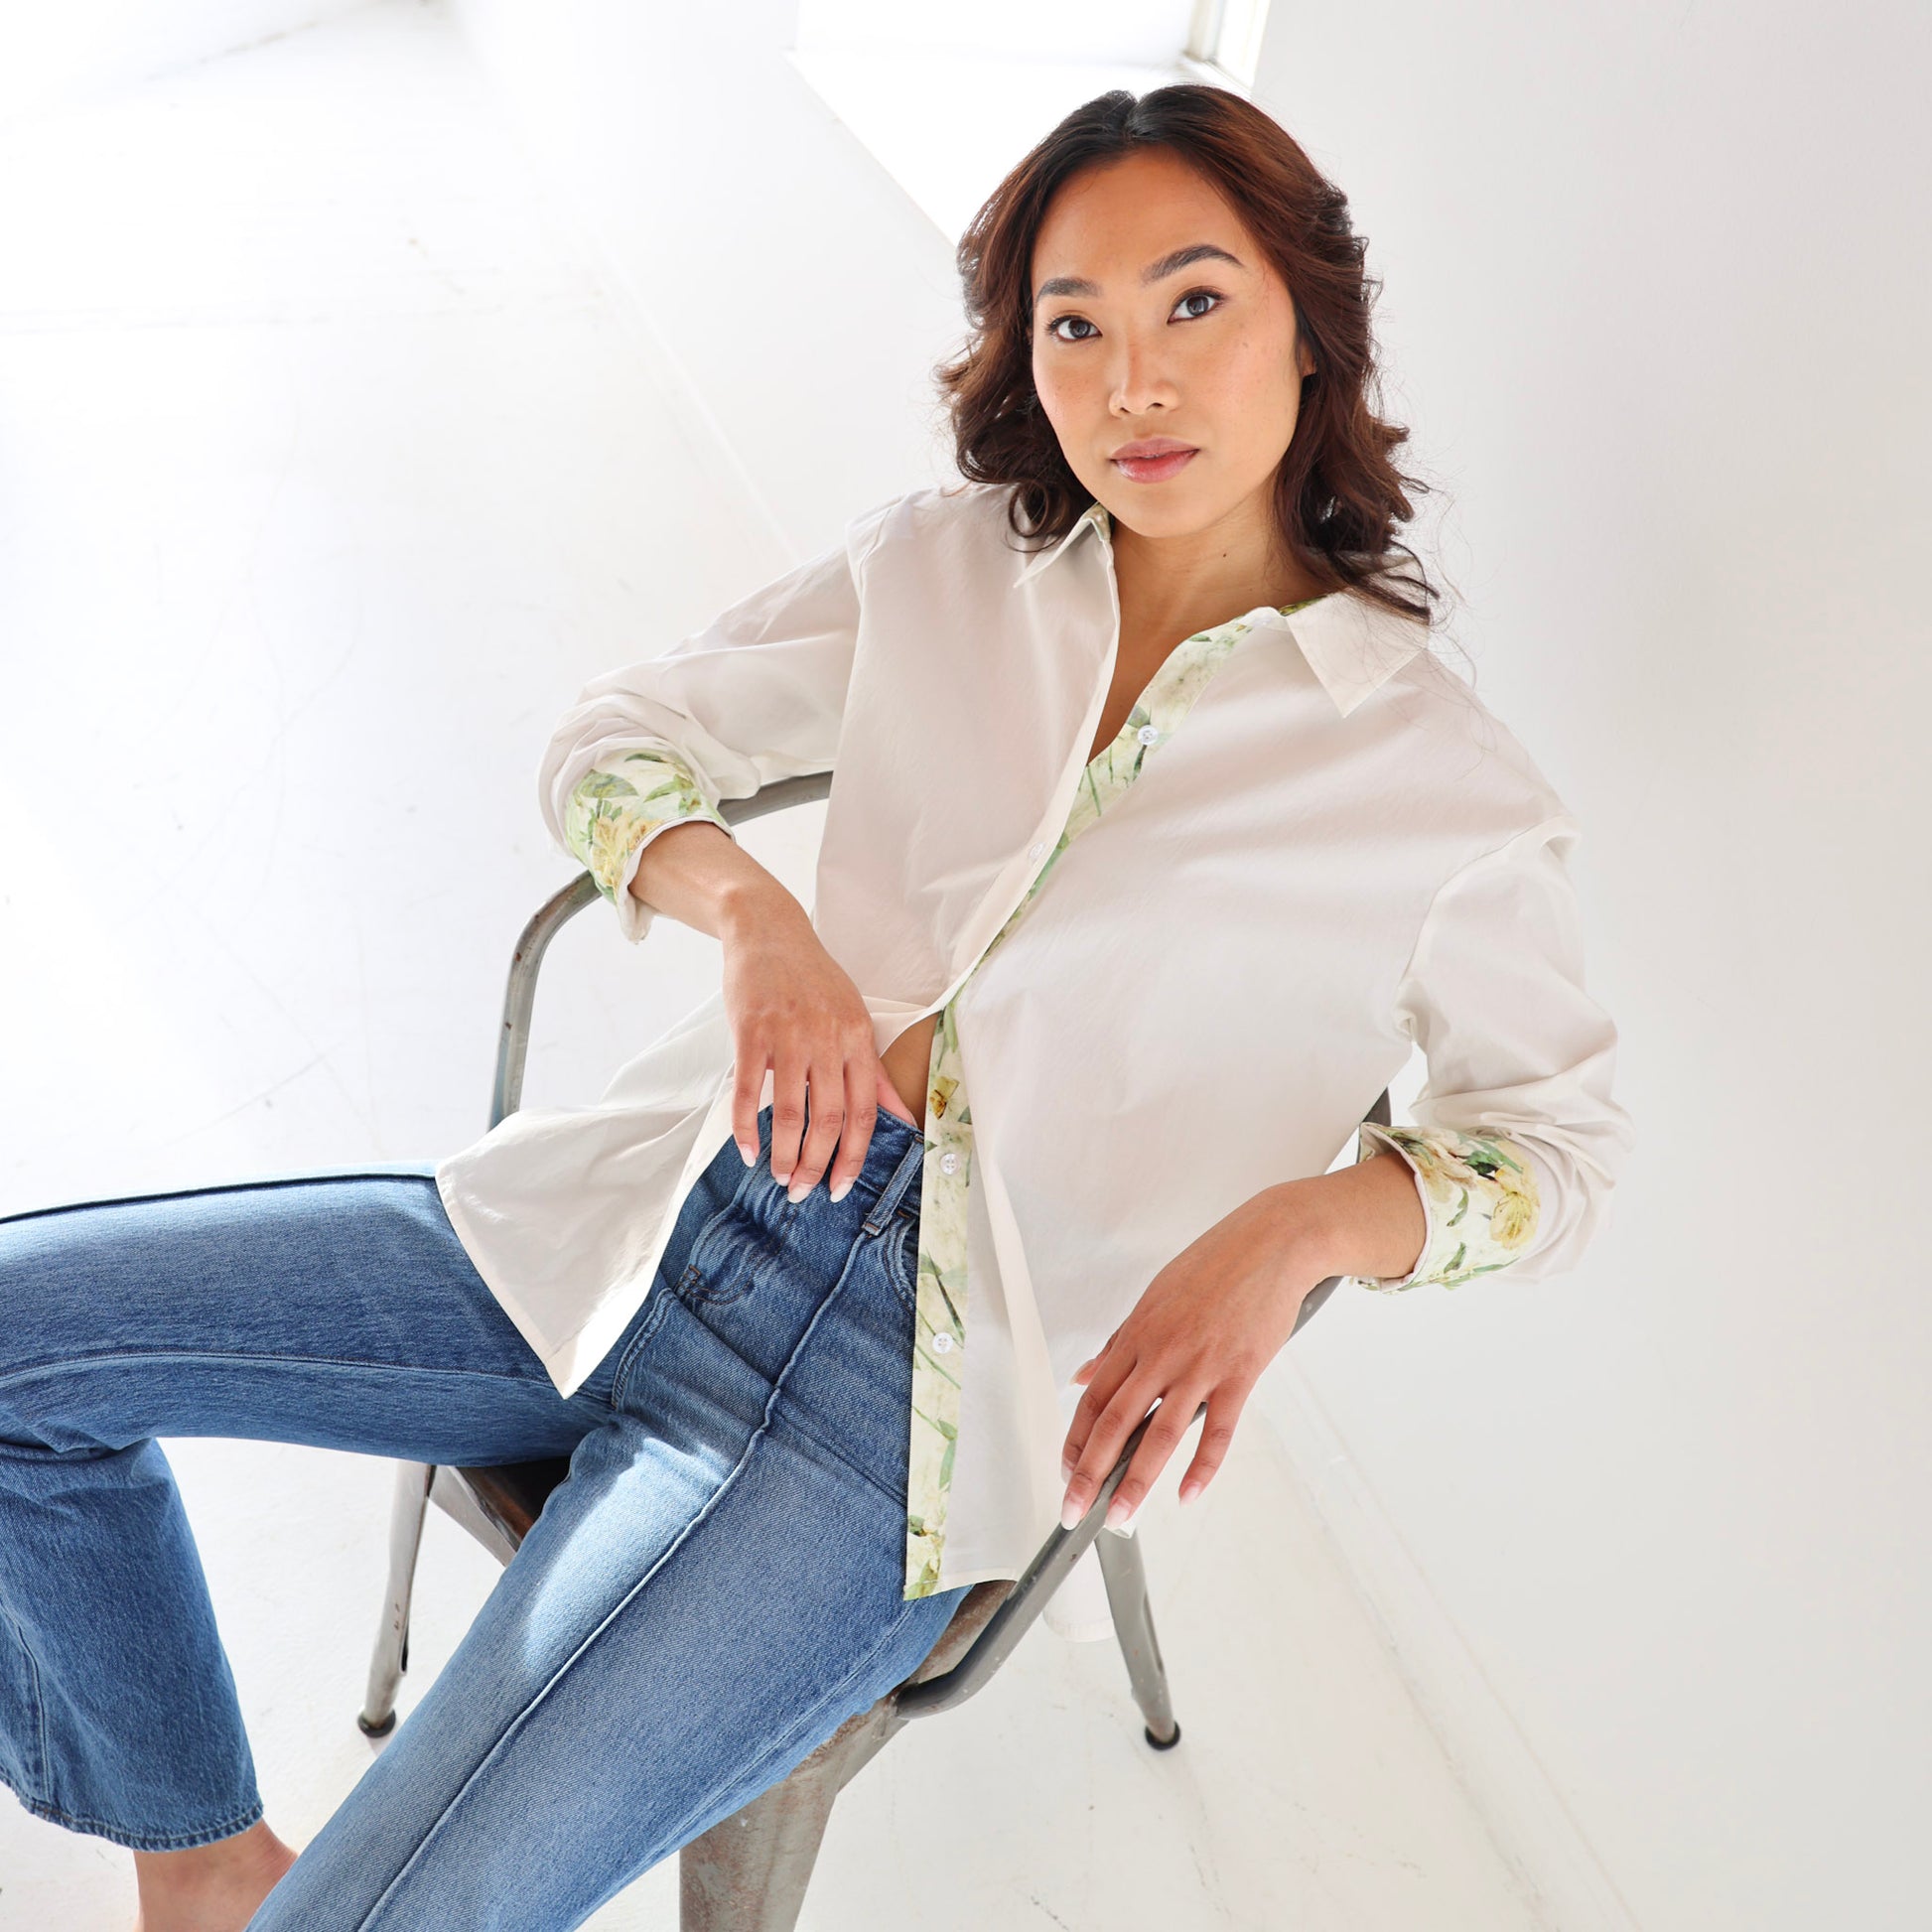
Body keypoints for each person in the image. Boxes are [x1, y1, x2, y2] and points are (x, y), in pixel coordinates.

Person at [0, 83, 1631, 1932]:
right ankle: (204, 1859)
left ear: (1311, 319)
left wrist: (1306, 1219)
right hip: (630, 1220)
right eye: (1070, 325)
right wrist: (752, 910)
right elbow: (615, 743)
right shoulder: (950, 567)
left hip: (882, 1429)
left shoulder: (1436, 783)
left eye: (1194, 304)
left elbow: (1553, 1143)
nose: (1128, 383)